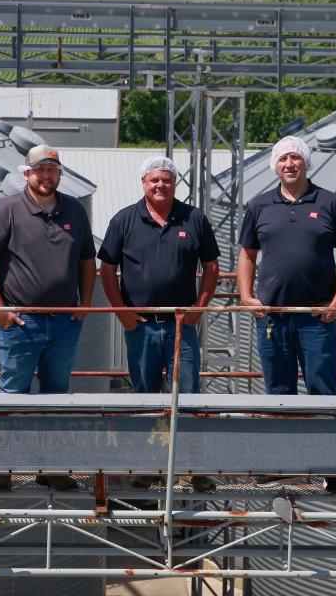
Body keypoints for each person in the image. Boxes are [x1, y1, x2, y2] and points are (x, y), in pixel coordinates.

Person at [0, 144, 96, 490]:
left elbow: (88, 261)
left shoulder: (74, 210)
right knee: (13, 393)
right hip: (21, 321)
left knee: (57, 395)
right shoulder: (7, 210)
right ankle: (3, 468)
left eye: (52, 170)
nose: (46, 176)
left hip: (64, 322)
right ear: (26, 174)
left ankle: (51, 467)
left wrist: (84, 304)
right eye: (39, 170)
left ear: (59, 174)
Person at [238, 136, 336, 493]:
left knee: (323, 391)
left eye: (296, 158)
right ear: (275, 166)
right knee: (278, 393)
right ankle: (281, 465)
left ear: (306, 163)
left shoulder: (330, 203)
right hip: (273, 319)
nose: (289, 164)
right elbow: (247, 254)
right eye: (283, 159)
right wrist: (246, 295)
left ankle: (331, 468)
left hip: (316, 320)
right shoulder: (260, 206)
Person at [99, 156, 220, 492]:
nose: (160, 186)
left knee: (189, 396)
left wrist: (200, 307)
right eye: (154, 180)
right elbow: (107, 268)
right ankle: (148, 466)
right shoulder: (124, 220)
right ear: (143, 183)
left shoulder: (193, 218)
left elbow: (212, 266)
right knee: (145, 397)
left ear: (174, 183)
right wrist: (120, 310)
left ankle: (189, 468)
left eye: (166, 180)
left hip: (182, 325)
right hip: (142, 326)